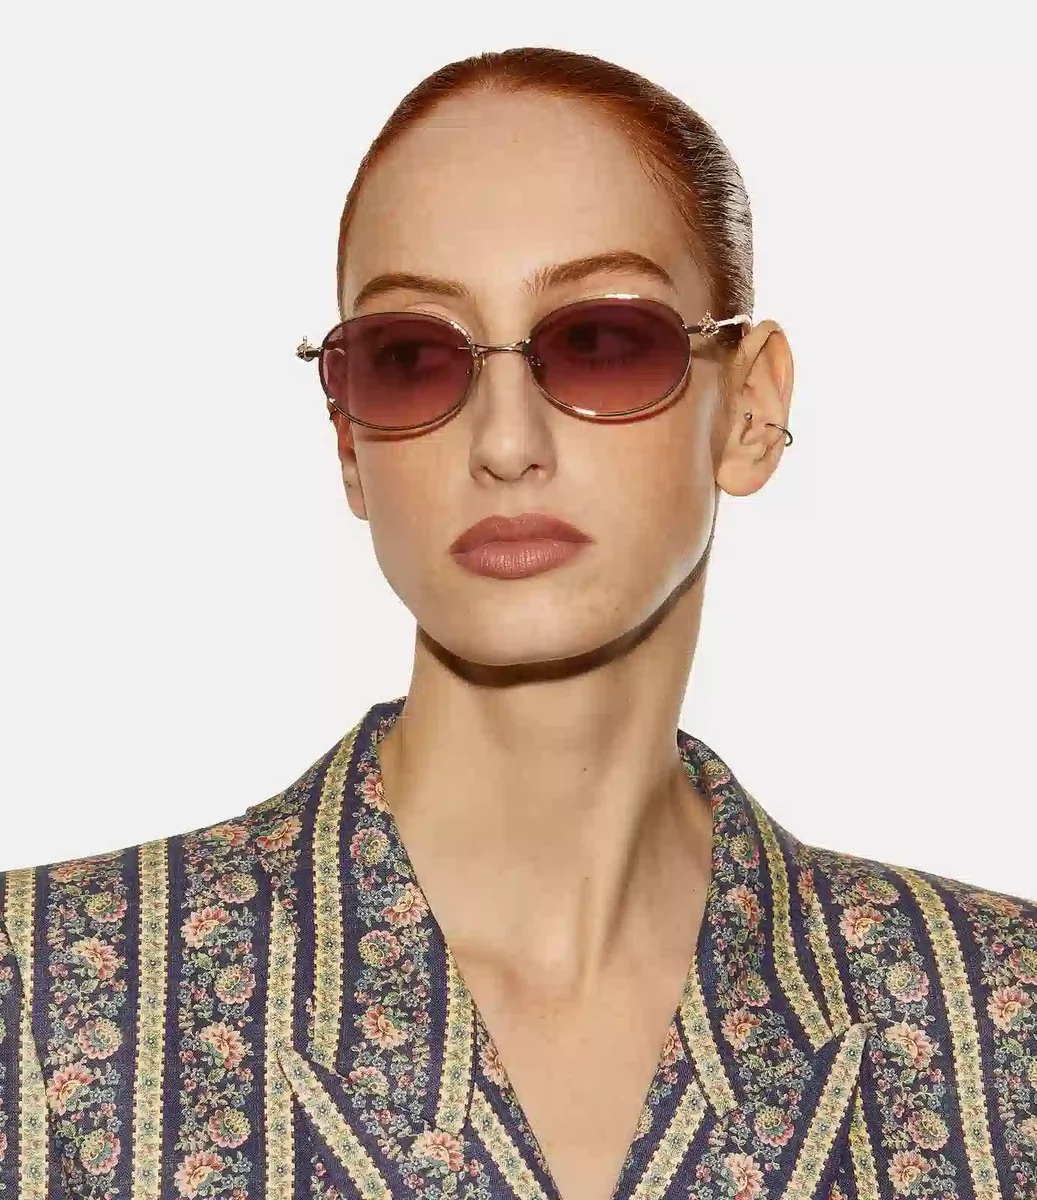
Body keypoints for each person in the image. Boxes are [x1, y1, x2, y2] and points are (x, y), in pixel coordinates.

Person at [1, 45, 1033, 1200]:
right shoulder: (37, 1003)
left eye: (600, 342)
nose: (502, 442)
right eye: (409, 359)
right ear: (348, 441)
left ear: (748, 409)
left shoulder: (995, 1028)